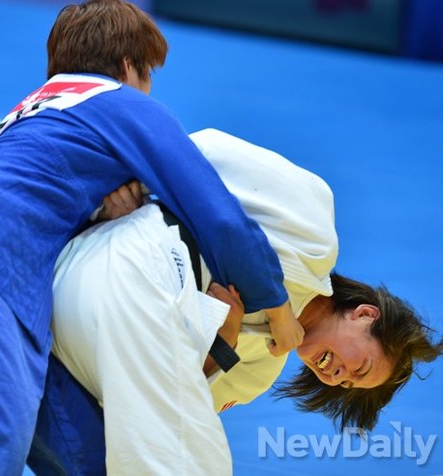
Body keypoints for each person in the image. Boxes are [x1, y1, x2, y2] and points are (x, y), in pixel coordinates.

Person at [0, 0, 303, 475]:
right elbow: (217, 215)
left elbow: (41, 202)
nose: (147, 91)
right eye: (148, 76)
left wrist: (105, 216)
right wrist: (277, 306)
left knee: (87, 453)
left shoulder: (37, 110)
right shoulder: (120, 102)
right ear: (128, 66)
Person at [33, 128, 442, 475]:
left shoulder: (257, 372)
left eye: (348, 383)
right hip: (81, 257)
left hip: (79, 355)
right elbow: (208, 149)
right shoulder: (314, 238)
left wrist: (223, 345)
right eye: (360, 366)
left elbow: (166, 408)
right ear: (365, 315)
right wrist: (135, 191)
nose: (339, 376)